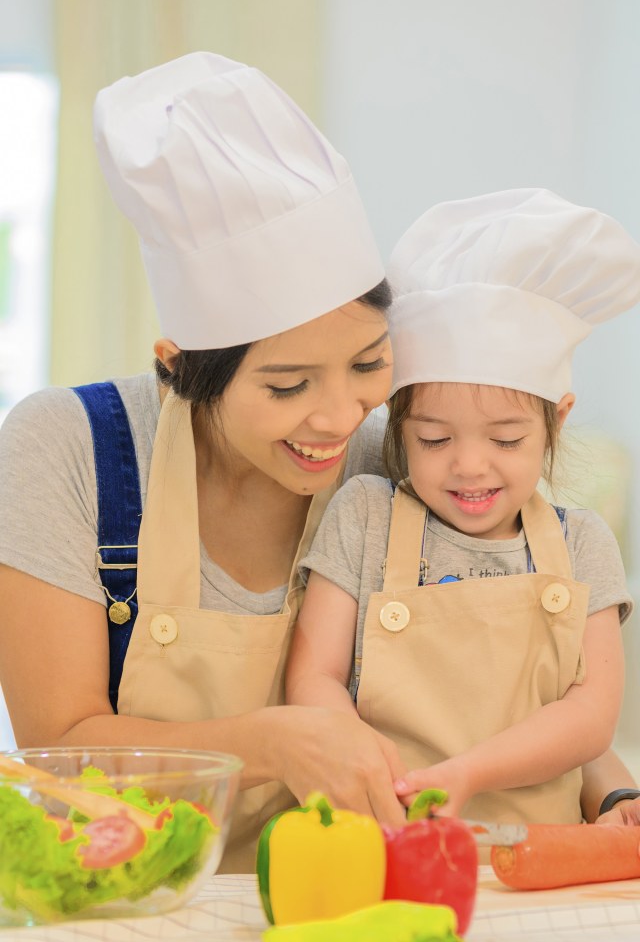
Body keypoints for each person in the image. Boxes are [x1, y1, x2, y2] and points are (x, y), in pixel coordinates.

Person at [0, 51, 408, 873]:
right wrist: (270, 742)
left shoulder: (385, 464)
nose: (338, 418)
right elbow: (59, 744)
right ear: (178, 364)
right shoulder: (67, 447)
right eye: (289, 385)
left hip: (343, 895)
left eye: (369, 365)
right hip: (125, 897)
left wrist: (609, 790)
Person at [287, 188, 636, 825]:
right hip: (388, 833)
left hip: (538, 857)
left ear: (556, 420)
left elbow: (591, 718)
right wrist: (382, 775)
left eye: (506, 439)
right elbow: (313, 678)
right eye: (434, 439)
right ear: (397, 423)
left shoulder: (583, 546)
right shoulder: (364, 515)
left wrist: (465, 775)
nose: (469, 465)